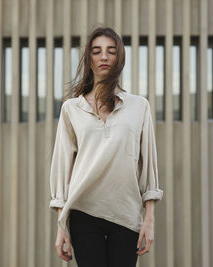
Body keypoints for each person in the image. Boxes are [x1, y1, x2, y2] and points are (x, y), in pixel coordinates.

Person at [49, 26, 163, 267]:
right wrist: (61, 225)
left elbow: (148, 166)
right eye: (97, 51)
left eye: (111, 51)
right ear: (89, 59)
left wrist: (149, 219)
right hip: (84, 213)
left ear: (119, 58)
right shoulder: (71, 109)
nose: (103, 57)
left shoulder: (139, 106)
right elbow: (62, 167)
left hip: (126, 214)